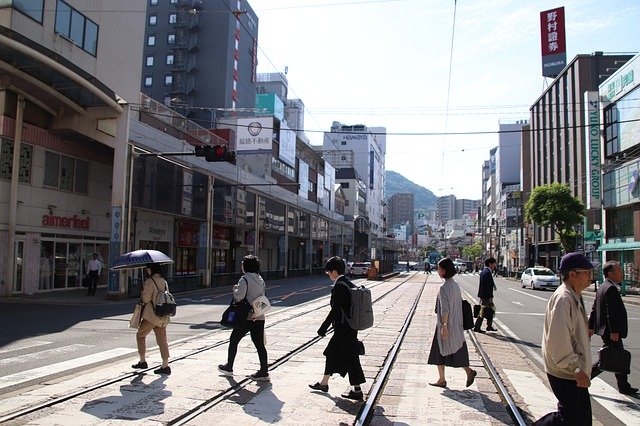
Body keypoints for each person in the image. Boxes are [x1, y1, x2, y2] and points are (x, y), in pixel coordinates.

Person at [534, 252, 593, 425]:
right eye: (587, 272)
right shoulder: (564, 298)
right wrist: (576, 369)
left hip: (571, 370)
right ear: (572, 275)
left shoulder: (573, 295)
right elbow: (558, 342)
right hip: (566, 372)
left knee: (580, 418)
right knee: (569, 418)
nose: (590, 276)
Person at [309, 256, 366, 401]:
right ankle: (324, 383)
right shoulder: (347, 283)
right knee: (332, 353)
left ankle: (357, 390)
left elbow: (335, 310)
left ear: (334, 271)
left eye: (328, 272)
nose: (327, 274)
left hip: (343, 329)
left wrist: (323, 328)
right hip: (348, 327)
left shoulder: (340, 286)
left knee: (351, 358)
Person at [588, 260, 637, 395]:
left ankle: (623, 385)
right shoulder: (610, 288)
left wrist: (591, 326)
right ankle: (584, 379)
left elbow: (594, 308)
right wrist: (614, 330)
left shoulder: (603, 286)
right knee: (608, 358)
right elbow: (611, 312)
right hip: (610, 331)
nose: (621, 273)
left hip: (607, 330)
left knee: (616, 356)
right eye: (619, 271)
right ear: (610, 273)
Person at [427, 257, 477, 388]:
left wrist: (444, 326)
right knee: (456, 349)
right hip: (456, 323)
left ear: (444, 270)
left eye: (439, 269)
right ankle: (467, 371)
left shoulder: (444, 287)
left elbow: (445, 309)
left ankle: (442, 379)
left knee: (439, 351)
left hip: (446, 324)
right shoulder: (455, 285)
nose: (437, 271)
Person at [218, 255, 269, 381]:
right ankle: (264, 371)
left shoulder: (244, 279)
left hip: (245, 317)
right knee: (260, 345)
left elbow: (239, 296)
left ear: (246, 266)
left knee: (234, 340)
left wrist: (235, 289)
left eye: (242, 264)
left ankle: (229, 367)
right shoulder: (260, 279)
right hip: (258, 316)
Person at [132, 263, 171, 375]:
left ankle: (142, 360)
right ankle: (165, 365)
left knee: (140, 335)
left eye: (147, 269)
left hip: (151, 316)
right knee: (162, 341)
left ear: (151, 269)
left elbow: (145, 298)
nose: (147, 271)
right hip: (162, 315)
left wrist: (143, 291)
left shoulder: (149, 281)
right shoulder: (164, 281)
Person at [473, 257, 498, 333]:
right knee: (482, 311)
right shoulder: (487, 272)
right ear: (490, 264)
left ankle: (489, 325)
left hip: (484, 294)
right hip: (486, 296)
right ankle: (477, 327)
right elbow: (488, 286)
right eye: (494, 264)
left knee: (491, 309)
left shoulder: (484, 271)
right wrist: (490, 297)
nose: (495, 265)